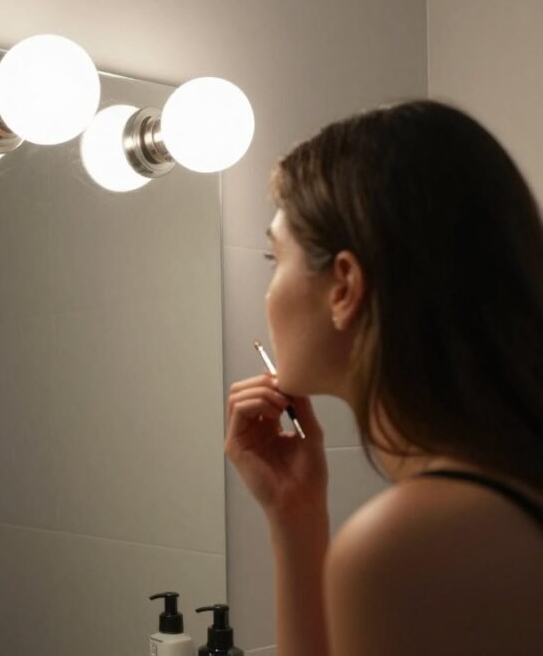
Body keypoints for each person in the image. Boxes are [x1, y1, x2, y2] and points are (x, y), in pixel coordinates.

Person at [226, 100, 543, 655]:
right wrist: (295, 518)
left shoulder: (411, 544)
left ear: (345, 285)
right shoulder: (508, 489)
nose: (270, 291)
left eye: (275, 260)